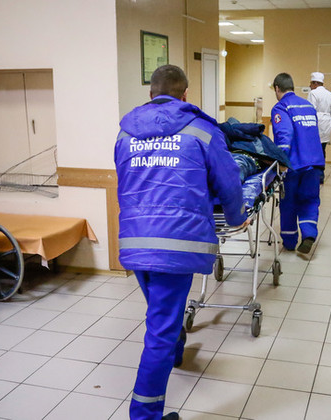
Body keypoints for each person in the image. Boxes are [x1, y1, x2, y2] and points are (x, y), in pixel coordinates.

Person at [114, 64, 248, 420]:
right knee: (160, 330)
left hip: (136, 241)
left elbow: (126, 180)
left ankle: (175, 350)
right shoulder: (201, 130)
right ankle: (145, 416)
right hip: (176, 244)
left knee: (162, 313)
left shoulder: (125, 133)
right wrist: (237, 217)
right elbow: (229, 182)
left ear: (151, 94)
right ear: (185, 94)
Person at [271, 72, 324, 254]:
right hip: (314, 162)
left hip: (293, 164)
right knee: (310, 199)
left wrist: (281, 161)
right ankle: (309, 234)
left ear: (277, 88)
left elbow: (284, 136)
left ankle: (290, 241)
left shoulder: (281, 107)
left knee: (289, 202)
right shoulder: (308, 105)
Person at [307, 72, 331, 184]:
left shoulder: (313, 93)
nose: (310, 86)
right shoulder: (330, 94)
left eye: (311, 83)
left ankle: (314, 175)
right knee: (322, 149)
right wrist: (327, 116)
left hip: (315, 123)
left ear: (315, 83)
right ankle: (321, 175)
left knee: (313, 151)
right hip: (327, 124)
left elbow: (310, 109)